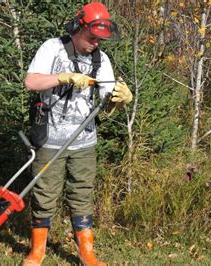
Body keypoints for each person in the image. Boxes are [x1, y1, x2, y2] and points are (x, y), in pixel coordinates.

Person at [22, 2, 132, 266]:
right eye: (92, 38)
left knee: (82, 194)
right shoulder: (52, 48)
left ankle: (87, 253)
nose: (95, 43)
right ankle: (37, 252)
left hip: (84, 141)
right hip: (49, 139)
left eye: (100, 39)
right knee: (44, 193)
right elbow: (30, 82)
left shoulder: (100, 60)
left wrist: (119, 99)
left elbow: (107, 100)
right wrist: (62, 77)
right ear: (78, 28)